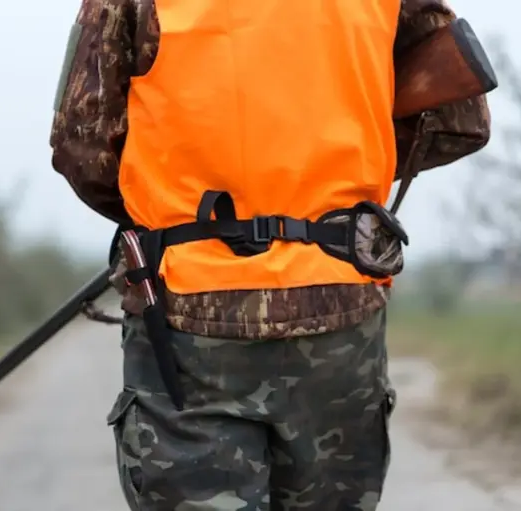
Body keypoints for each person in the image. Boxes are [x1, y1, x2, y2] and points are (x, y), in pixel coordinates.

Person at [49, 0, 492, 508]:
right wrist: (331, 174)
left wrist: (171, 223)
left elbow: (81, 143)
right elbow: (461, 118)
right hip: (340, 303)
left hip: (188, 315)